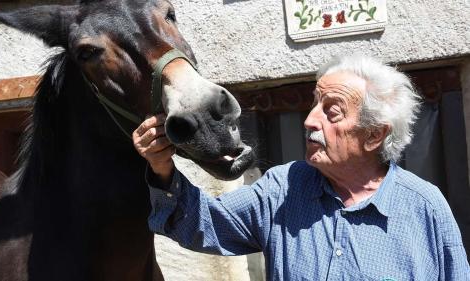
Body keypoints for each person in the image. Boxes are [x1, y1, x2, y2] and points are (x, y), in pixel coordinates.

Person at [133, 54, 470, 280]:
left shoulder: (424, 208)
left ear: (373, 135)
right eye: (314, 104)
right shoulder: (283, 188)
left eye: (331, 112)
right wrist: (162, 166)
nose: (309, 120)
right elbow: (202, 224)